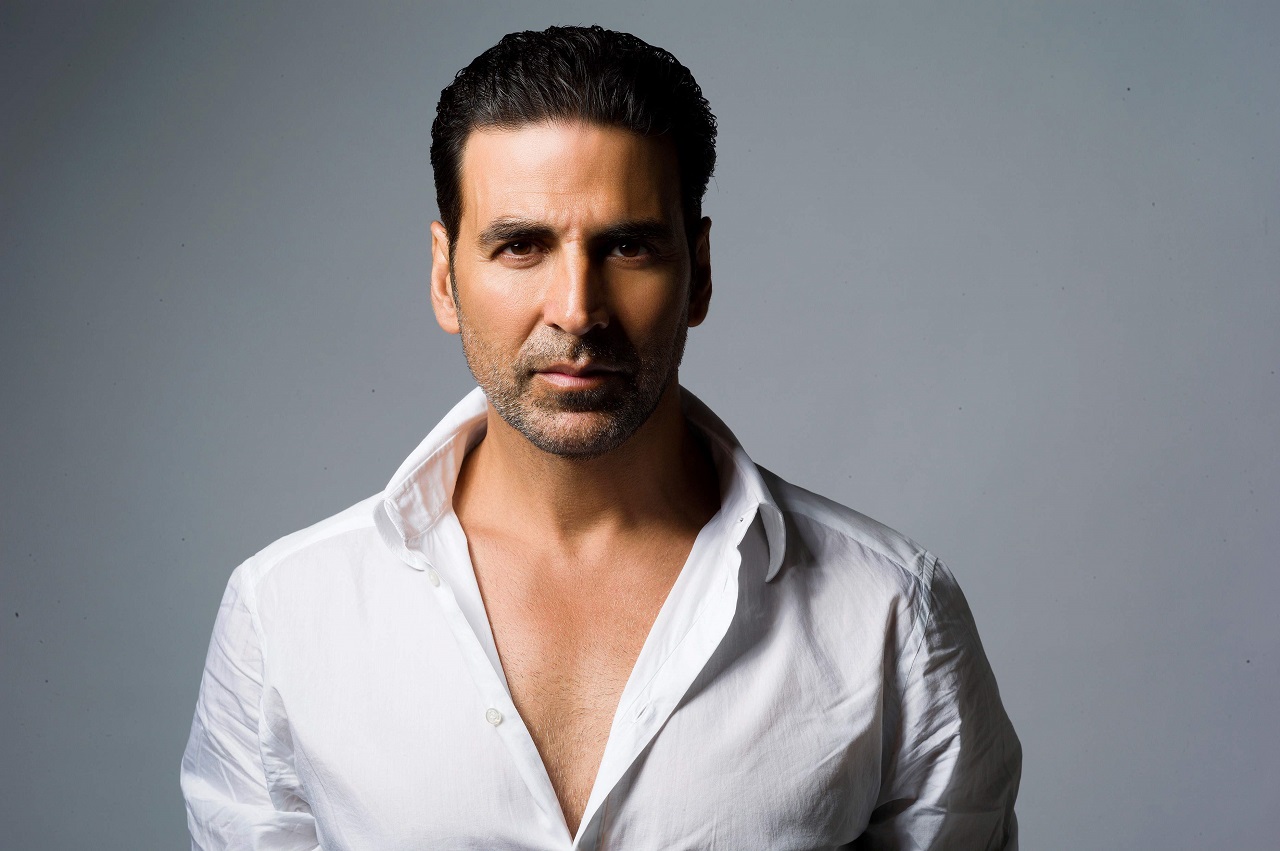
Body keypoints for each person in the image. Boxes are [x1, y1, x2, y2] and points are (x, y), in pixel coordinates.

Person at [181, 25, 1021, 850]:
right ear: (444, 277)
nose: (577, 309)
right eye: (521, 246)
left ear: (699, 271)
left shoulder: (890, 613)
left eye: (627, 246)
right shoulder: (285, 614)